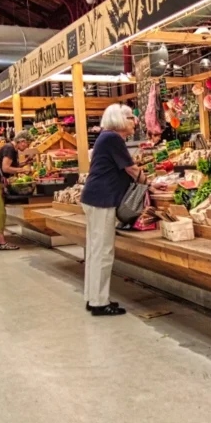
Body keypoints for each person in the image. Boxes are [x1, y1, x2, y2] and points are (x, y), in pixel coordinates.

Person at [81, 104, 143, 317]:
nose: (134, 121)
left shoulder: (106, 138)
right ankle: (99, 302)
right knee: (103, 251)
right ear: (118, 119)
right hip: (102, 200)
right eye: (129, 117)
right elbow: (131, 169)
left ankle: (93, 297)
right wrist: (149, 182)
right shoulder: (113, 138)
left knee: (95, 250)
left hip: (95, 198)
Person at [0, 131, 31, 251]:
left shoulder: (11, 149)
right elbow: (5, 168)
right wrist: (22, 170)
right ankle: (1, 241)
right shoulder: (10, 148)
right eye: (27, 144)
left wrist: (24, 163)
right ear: (22, 141)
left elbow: (9, 164)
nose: (27, 147)